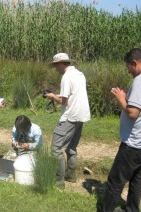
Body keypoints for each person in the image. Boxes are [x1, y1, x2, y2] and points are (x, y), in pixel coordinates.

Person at [99, 48, 141, 212]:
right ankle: (132, 209)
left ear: (134, 63)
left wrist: (121, 99)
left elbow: (133, 112)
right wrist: (128, 98)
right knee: (136, 177)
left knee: (115, 181)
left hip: (134, 144)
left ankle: (105, 209)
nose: (128, 71)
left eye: (128, 66)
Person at [46, 53, 91, 189]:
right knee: (71, 147)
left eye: (55, 65)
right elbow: (73, 95)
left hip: (70, 116)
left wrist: (53, 96)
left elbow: (63, 101)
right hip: (81, 115)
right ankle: (70, 175)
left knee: (56, 149)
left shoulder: (66, 77)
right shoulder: (79, 74)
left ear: (61, 63)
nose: (55, 68)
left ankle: (58, 182)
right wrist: (57, 95)